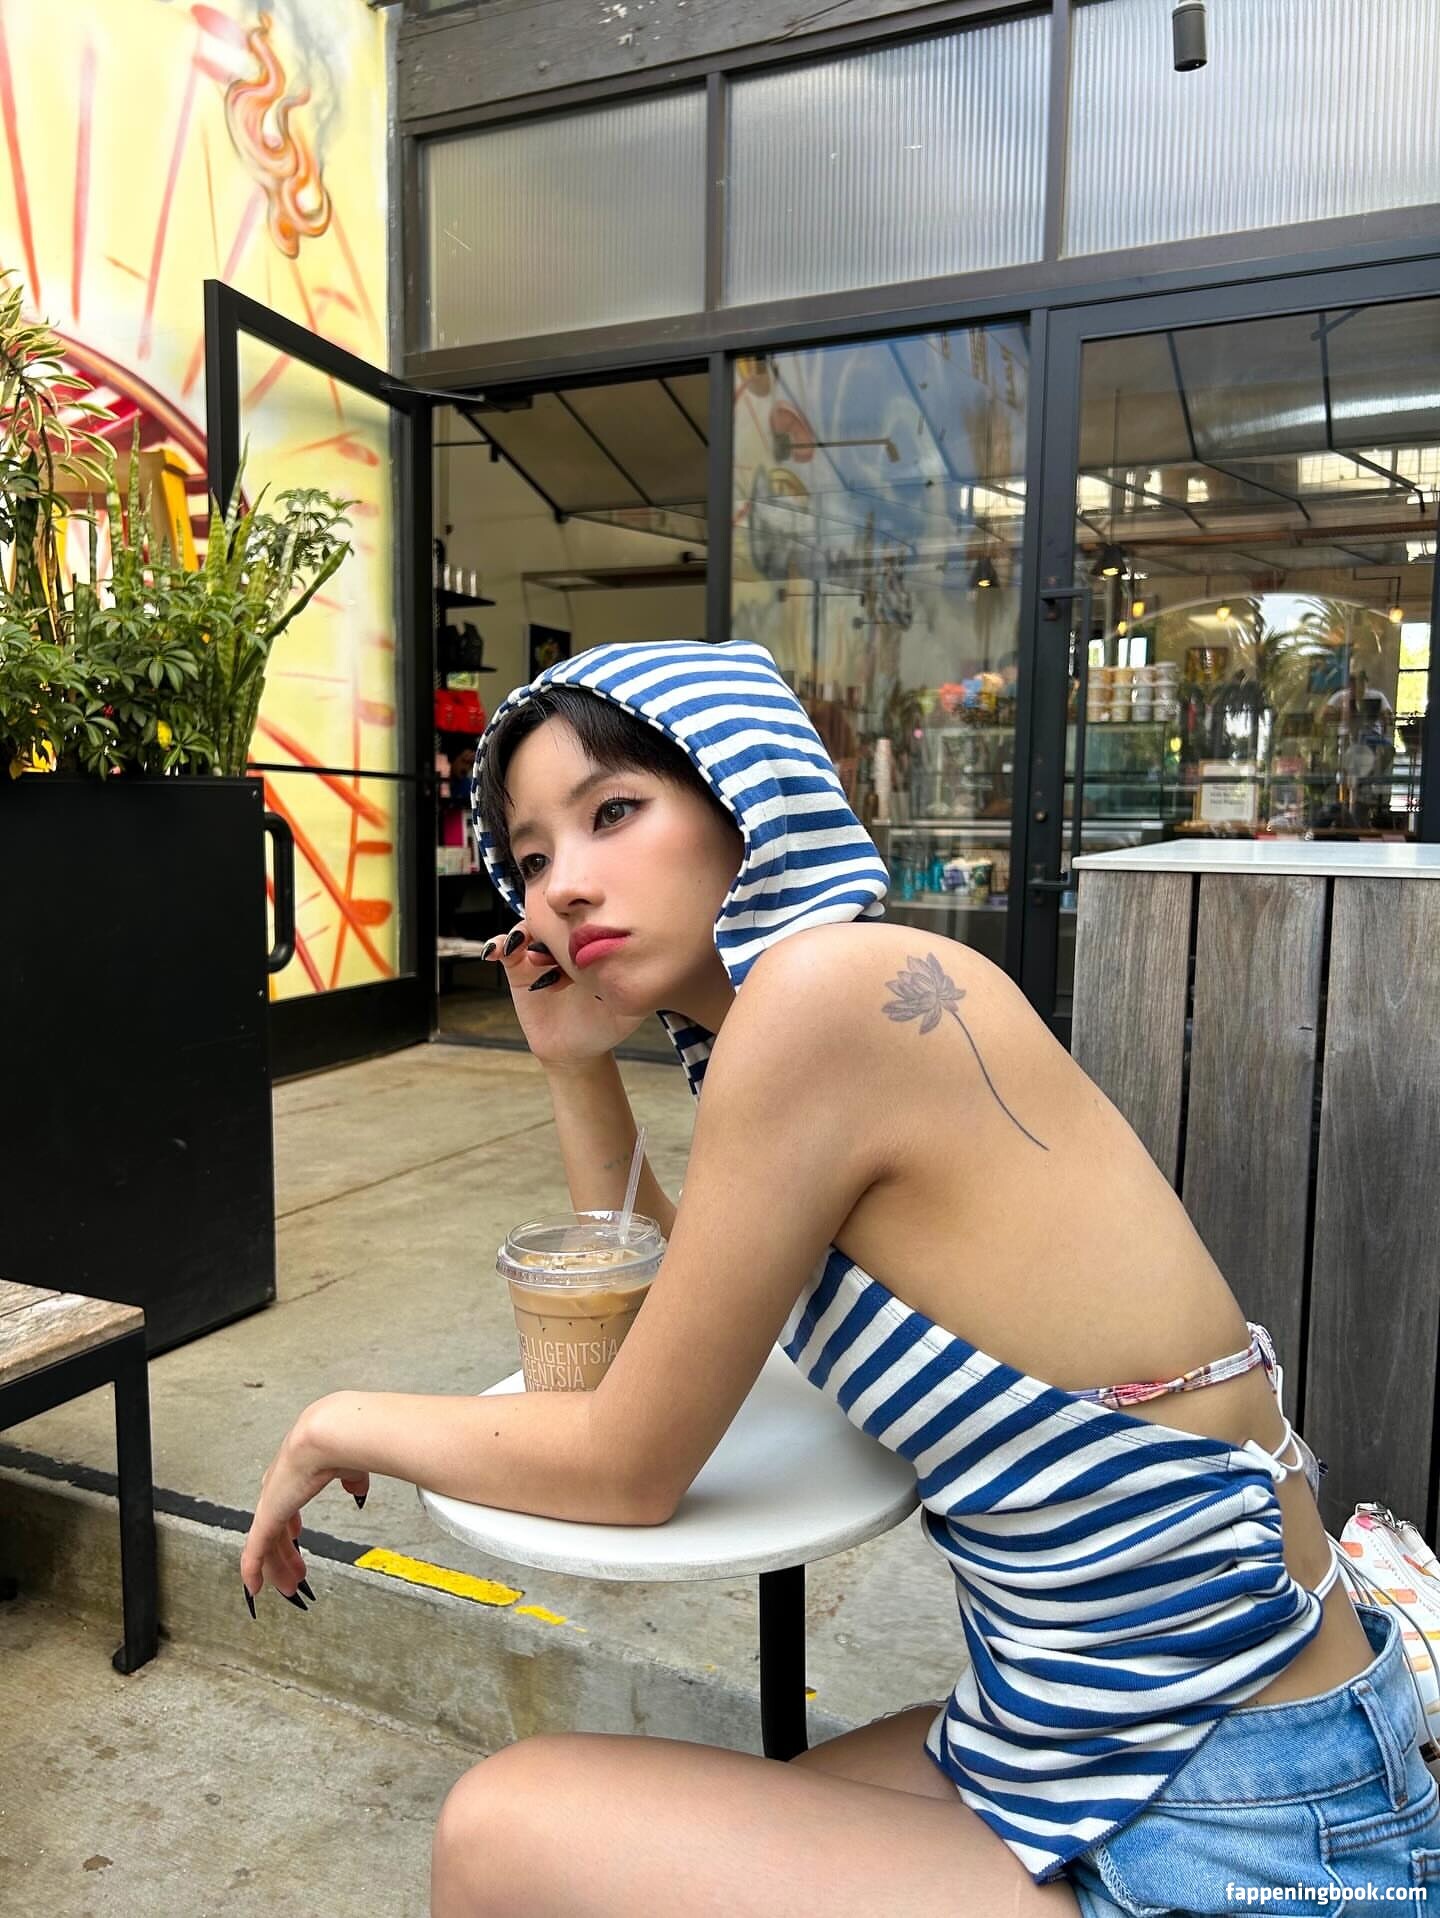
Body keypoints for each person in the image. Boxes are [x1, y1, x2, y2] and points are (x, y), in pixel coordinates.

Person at [242, 640, 1435, 1916]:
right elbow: (668, 1322)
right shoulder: (802, 1018)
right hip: (1079, 1738)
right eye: (532, 858)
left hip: (1244, 1811)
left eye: (614, 811)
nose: (564, 887)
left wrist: (334, 1421)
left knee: (499, 1829)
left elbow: (629, 1462)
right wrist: (576, 1065)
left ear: (745, 799)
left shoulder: (828, 1000)